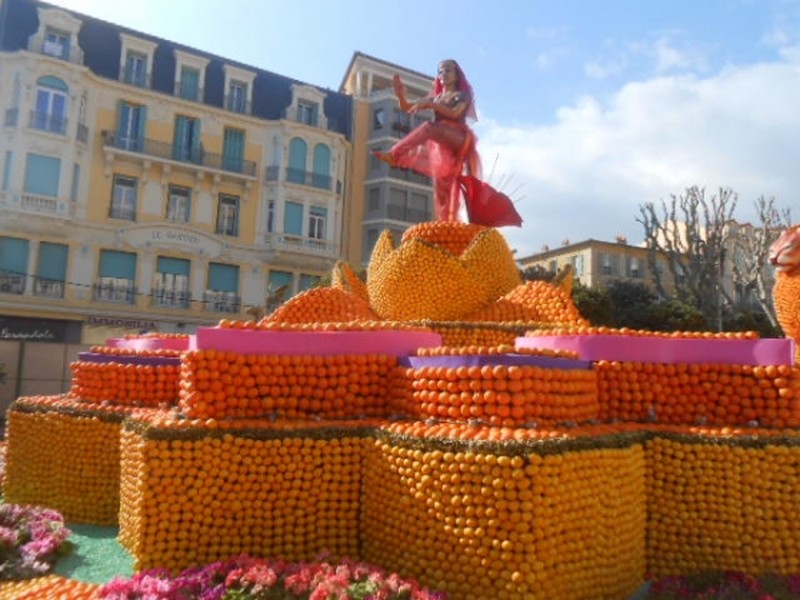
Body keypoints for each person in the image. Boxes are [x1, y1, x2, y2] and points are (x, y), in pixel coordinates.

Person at [373, 59, 481, 222]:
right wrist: (401, 95)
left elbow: (454, 114)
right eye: (440, 71)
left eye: (448, 70)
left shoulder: (462, 95)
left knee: (428, 128)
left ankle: (395, 154)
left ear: (457, 75)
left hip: (458, 136)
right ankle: (447, 224)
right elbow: (408, 107)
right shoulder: (436, 98)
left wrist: (431, 105)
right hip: (443, 142)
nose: (443, 74)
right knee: (443, 184)